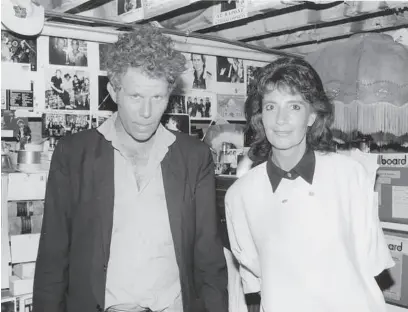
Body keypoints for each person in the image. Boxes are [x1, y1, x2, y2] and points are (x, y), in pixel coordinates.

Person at [33, 25, 228, 312]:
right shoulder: (73, 154)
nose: (147, 113)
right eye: (136, 97)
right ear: (113, 90)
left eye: (158, 97)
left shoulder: (194, 157)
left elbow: (209, 259)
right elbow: (53, 259)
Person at [225, 57, 394, 312]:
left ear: (312, 115)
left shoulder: (350, 175)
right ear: (261, 115)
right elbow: (255, 276)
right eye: (271, 107)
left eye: (294, 106)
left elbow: (371, 261)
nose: (280, 119)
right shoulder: (240, 194)